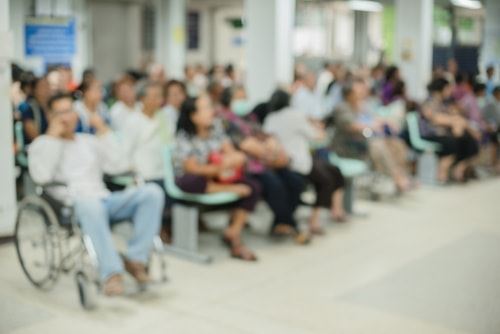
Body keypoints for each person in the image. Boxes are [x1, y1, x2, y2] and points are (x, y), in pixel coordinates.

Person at [28, 92, 164, 296]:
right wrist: (53, 137)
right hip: (73, 204)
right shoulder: (42, 144)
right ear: (51, 117)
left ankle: (136, 259)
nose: (67, 117)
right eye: (60, 113)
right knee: (89, 203)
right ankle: (111, 273)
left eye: (70, 111)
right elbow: (41, 176)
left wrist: (103, 130)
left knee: (153, 192)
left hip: (104, 199)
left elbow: (119, 165)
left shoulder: (88, 141)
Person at [218, 86, 310, 244]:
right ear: (228, 101)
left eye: (244, 97)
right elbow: (246, 145)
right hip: (248, 167)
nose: (243, 101)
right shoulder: (225, 120)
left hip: (266, 163)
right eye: (239, 98)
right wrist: (270, 153)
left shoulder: (249, 118)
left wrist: (272, 144)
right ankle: (291, 225)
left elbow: (265, 135)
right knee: (275, 185)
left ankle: (280, 223)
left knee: (296, 182)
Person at [174, 94, 261, 261]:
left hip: (216, 176)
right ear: (193, 116)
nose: (211, 112)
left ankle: (233, 232)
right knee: (192, 180)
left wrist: (232, 159)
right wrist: (221, 168)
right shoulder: (184, 137)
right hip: (199, 178)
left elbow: (233, 154)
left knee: (253, 186)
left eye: (210, 107)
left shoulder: (216, 128)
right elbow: (193, 168)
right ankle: (227, 191)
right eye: (205, 108)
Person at [264, 89, 346, 234]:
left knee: (333, 170)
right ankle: (316, 220)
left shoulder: (270, 118)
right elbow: (316, 136)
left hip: (283, 162)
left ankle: (335, 210)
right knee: (326, 179)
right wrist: (318, 127)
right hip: (298, 163)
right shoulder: (295, 116)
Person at [332, 79, 411, 192]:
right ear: (349, 94)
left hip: (364, 142)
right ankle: (396, 177)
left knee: (396, 143)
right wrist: (371, 126)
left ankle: (402, 174)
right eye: (357, 91)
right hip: (348, 146)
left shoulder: (360, 106)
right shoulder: (342, 107)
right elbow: (352, 126)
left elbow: (374, 118)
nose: (361, 93)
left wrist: (386, 122)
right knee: (378, 145)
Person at [421, 78, 479, 182]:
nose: (450, 91)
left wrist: (457, 120)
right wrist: (455, 121)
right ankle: (442, 173)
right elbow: (435, 119)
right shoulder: (428, 102)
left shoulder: (444, 103)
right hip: (431, 135)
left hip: (444, 134)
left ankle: (459, 169)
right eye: (448, 88)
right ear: (441, 89)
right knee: (454, 142)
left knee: (470, 142)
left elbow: (455, 117)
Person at [17, 76, 51, 144]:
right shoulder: (28, 109)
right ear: (34, 90)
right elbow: (35, 139)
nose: (47, 89)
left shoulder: (53, 107)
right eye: (42, 86)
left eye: (48, 85)